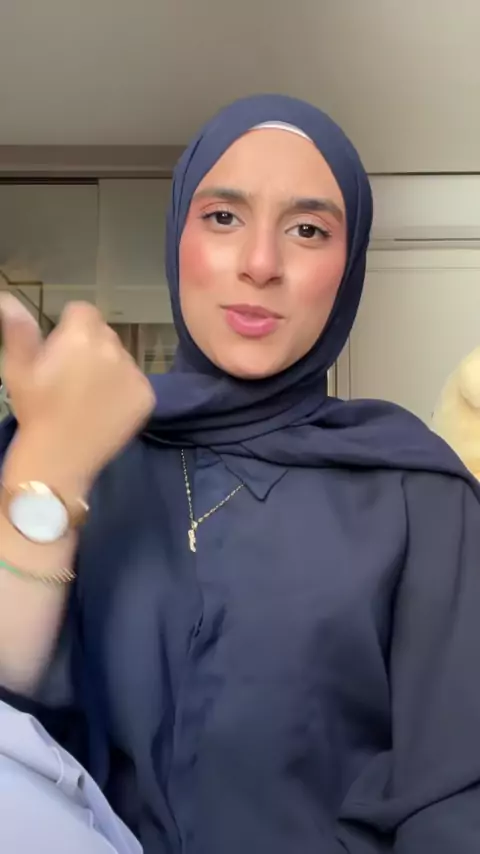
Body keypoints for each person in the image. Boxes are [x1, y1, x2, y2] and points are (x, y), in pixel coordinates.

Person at [0, 93, 480, 854]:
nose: (260, 264)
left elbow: (453, 794)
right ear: (177, 236)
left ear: (349, 267)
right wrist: (49, 478)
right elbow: (13, 722)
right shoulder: (77, 447)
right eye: (223, 217)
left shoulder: (418, 492)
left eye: (308, 229)